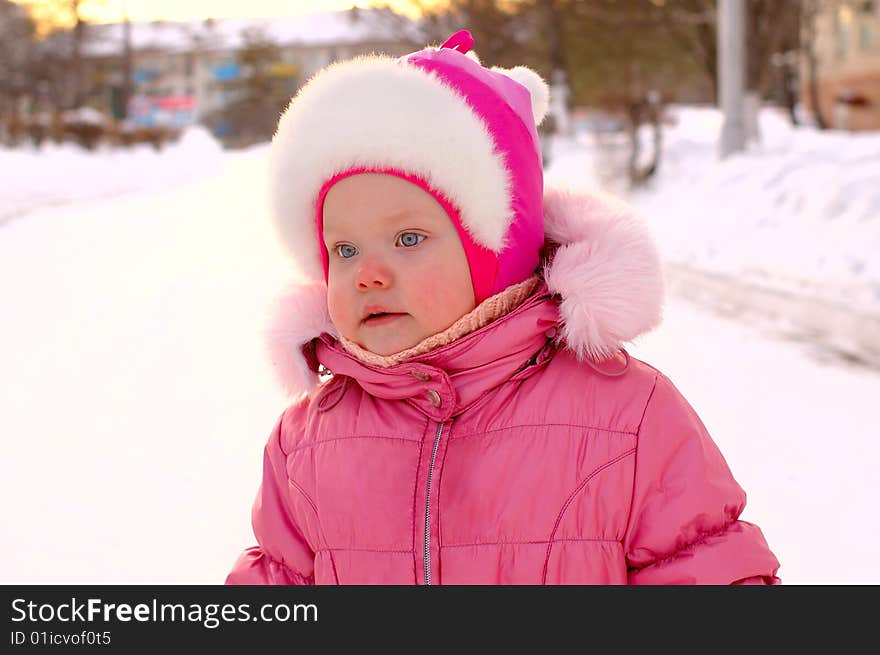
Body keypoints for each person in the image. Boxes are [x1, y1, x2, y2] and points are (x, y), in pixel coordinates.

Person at [225, 30, 780, 585]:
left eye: (409, 239)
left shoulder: (628, 420)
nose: (368, 274)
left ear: (495, 250)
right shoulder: (307, 443)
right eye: (344, 249)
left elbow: (709, 568)